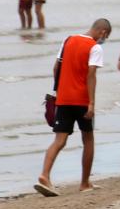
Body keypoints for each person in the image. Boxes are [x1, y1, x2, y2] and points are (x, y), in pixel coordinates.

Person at [35, 17, 112, 196]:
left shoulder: (68, 40)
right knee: (88, 139)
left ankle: (44, 175)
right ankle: (85, 183)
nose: (103, 40)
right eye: (105, 37)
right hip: (82, 101)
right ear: (103, 32)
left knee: (59, 140)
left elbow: (56, 68)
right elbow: (91, 75)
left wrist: (60, 90)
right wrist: (92, 103)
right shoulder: (95, 47)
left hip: (63, 99)